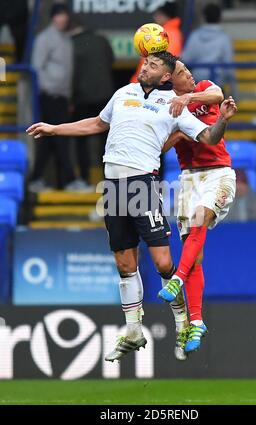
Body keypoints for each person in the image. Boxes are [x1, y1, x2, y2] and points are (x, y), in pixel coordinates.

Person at [26, 51, 237, 362]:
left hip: (143, 184)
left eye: (152, 65)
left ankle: (182, 324)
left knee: (163, 262)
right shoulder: (123, 93)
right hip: (112, 186)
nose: (145, 66)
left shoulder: (173, 104)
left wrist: (222, 120)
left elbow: (207, 136)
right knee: (124, 264)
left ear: (165, 76)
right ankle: (134, 331)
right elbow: (96, 123)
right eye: (146, 62)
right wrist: (55, 128)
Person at [158, 60, 236, 354]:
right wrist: (176, 133)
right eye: (181, 73)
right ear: (170, 82)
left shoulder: (202, 89)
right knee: (195, 253)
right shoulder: (166, 108)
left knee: (201, 217)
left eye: (187, 69)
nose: (189, 74)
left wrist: (188, 99)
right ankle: (197, 320)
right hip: (188, 178)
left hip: (219, 172)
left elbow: (217, 95)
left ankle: (177, 279)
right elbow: (160, 145)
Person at [29, 3, 82, 192]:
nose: (63, 19)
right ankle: (70, 180)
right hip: (49, 96)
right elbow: (36, 68)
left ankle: (36, 179)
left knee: (51, 141)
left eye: (64, 15)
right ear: (53, 18)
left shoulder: (66, 39)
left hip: (61, 97)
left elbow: (67, 72)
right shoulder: (45, 38)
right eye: (59, 15)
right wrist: (49, 88)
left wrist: (67, 97)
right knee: (60, 138)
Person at [71, 21, 115, 185]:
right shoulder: (102, 40)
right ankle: (108, 178)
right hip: (105, 97)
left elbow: (71, 73)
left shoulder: (73, 44)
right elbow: (112, 60)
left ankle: (84, 178)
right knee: (107, 141)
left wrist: (71, 98)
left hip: (82, 97)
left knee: (81, 139)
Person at [181, 3, 237, 98]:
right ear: (220, 18)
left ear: (204, 17)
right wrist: (234, 91)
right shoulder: (224, 38)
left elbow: (185, 58)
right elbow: (228, 66)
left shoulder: (195, 36)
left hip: (197, 85)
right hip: (217, 86)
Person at [130, 2, 183, 84]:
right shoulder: (170, 31)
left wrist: (139, 83)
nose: (155, 17)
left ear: (166, 16)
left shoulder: (166, 33)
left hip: (152, 83)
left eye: (158, 14)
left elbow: (162, 62)